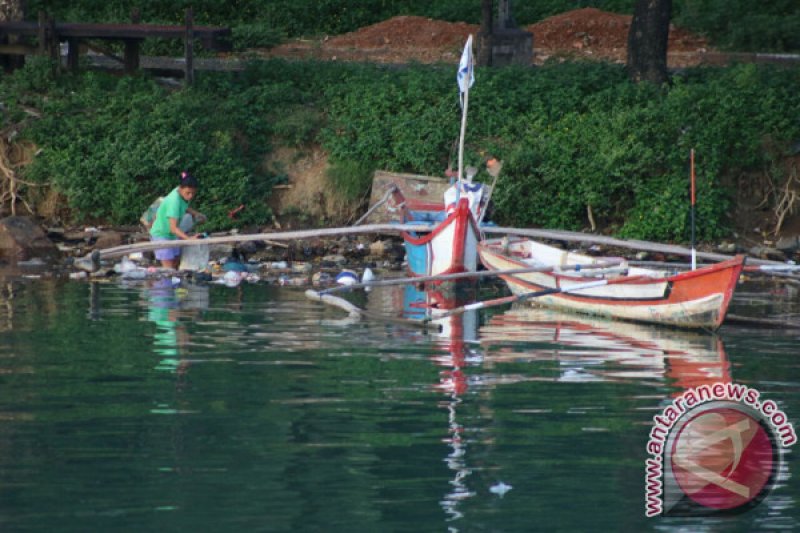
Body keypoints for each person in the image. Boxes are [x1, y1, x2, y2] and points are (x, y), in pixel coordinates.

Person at [149, 171, 206, 269]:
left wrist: (195, 213)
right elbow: (173, 228)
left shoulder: (180, 194)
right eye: (188, 193)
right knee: (169, 269)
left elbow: (184, 206)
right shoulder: (174, 202)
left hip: (171, 235)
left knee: (175, 262)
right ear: (181, 188)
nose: (190, 196)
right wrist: (189, 239)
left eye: (193, 193)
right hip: (161, 235)